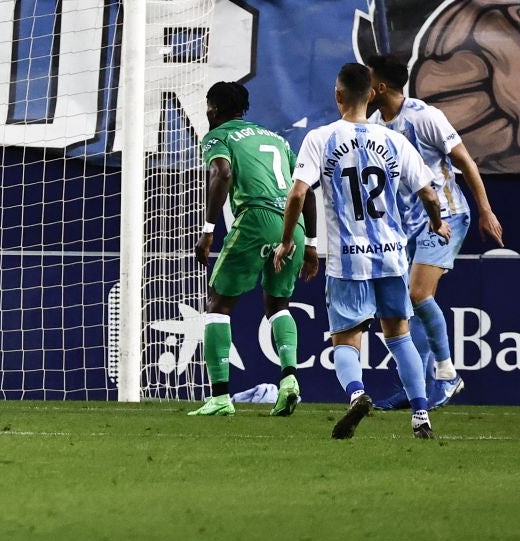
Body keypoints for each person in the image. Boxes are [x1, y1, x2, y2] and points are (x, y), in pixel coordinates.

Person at [275, 62, 448, 440]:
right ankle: (421, 414)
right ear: (372, 95)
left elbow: (298, 193)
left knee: (346, 339)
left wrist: (290, 240)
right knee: (399, 335)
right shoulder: (394, 140)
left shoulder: (320, 139)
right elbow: (430, 194)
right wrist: (436, 223)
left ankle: (356, 395)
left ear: (338, 95)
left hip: (346, 258)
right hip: (391, 254)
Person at [365, 55, 504, 410]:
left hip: (446, 215)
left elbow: (465, 162)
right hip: (405, 226)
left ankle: (447, 374)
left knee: (417, 293)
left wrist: (486, 210)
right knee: (406, 309)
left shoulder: (424, 116)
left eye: (367, 79)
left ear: (380, 87)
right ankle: (418, 390)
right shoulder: (375, 123)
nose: (362, 85)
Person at [188, 81, 310, 419]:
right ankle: (289, 380)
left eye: (208, 106)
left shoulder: (218, 136)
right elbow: (306, 190)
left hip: (256, 218)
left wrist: (208, 231)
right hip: (292, 224)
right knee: (278, 304)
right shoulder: (276, 138)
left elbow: (222, 173)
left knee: (218, 303)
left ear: (214, 108)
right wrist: (310, 244)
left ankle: (220, 397)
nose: (207, 111)